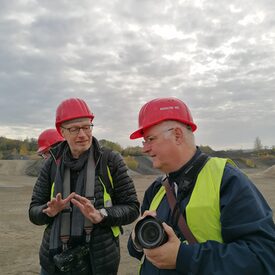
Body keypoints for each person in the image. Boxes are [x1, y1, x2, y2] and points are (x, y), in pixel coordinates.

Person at [127, 97, 275, 275]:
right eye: (144, 141)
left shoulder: (227, 180)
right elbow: (139, 247)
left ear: (177, 135)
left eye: (150, 139)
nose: (144, 149)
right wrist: (136, 239)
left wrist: (184, 257)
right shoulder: (156, 188)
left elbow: (263, 257)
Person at [29, 98, 140, 275]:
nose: (82, 134)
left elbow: (132, 208)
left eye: (86, 127)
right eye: (74, 129)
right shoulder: (51, 164)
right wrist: (48, 211)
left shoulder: (110, 161)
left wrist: (102, 214)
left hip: (99, 262)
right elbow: (33, 212)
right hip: (55, 262)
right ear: (62, 132)